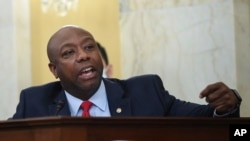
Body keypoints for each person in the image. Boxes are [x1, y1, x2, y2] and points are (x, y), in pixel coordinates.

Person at [11, 25, 241, 119]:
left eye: (89, 47)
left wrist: (226, 107)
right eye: (68, 53)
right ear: (54, 70)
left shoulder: (146, 91)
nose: (83, 55)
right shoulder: (34, 103)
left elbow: (207, 122)